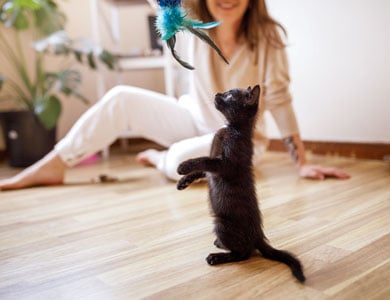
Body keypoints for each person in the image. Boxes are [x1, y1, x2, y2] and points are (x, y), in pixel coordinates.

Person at [0, 0, 350, 191]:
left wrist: (301, 163)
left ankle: (157, 158)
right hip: (191, 117)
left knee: (182, 161)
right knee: (120, 96)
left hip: (236, 142)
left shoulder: (268, 36)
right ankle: (53, 167)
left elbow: (279, 99)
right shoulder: (185, 16)